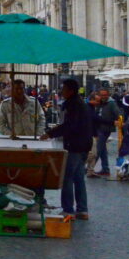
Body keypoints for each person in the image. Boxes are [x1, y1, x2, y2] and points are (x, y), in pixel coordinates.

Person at [42, 78, 92, 220]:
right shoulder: (81, 103)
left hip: (75, 146)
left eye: (63, 89)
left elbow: (69, 126)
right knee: (79, 179)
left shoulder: (73, 105)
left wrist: (50, 134)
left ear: (70, 91)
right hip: (84, 146)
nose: (61, 91)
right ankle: (82, 210)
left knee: (67, 178)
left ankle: (68, 210)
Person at [89, 89, 120, 177]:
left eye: (105, 95)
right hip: (99, 128)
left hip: (105, 129)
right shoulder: (100, 103)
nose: (103, 97)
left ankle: (90, 168)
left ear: (108, 95)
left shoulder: (111, 104)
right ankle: (105, 169)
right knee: (102, 149)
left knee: (98, 149)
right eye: (101, 95)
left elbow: (118, 114)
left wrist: (118, 121)